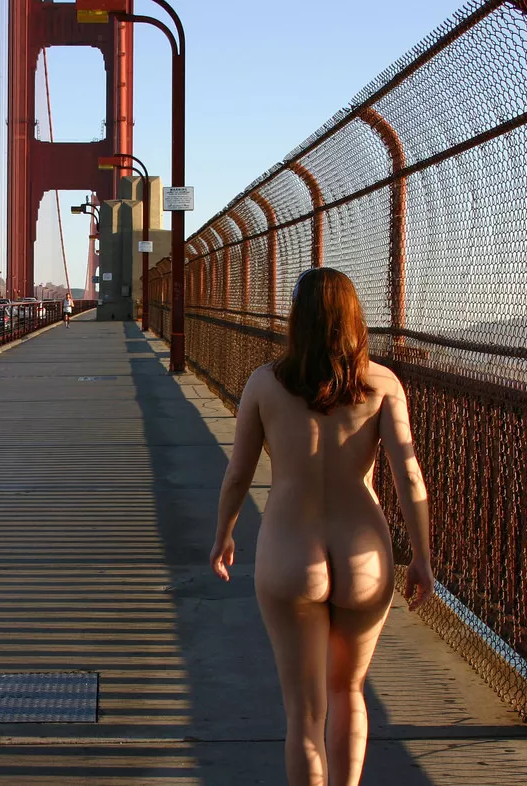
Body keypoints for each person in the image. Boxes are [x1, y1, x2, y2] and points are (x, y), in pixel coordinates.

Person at [209, 267, 434, 786]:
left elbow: (238, 472)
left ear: (297, 319)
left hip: (290, 556)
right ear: (355, 319)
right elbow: (409, 476)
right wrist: (421, 556)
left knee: (304, 717)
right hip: (366, 557)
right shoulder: (382, 385)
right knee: (348, 693)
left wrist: (224, 533)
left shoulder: (265, 384)